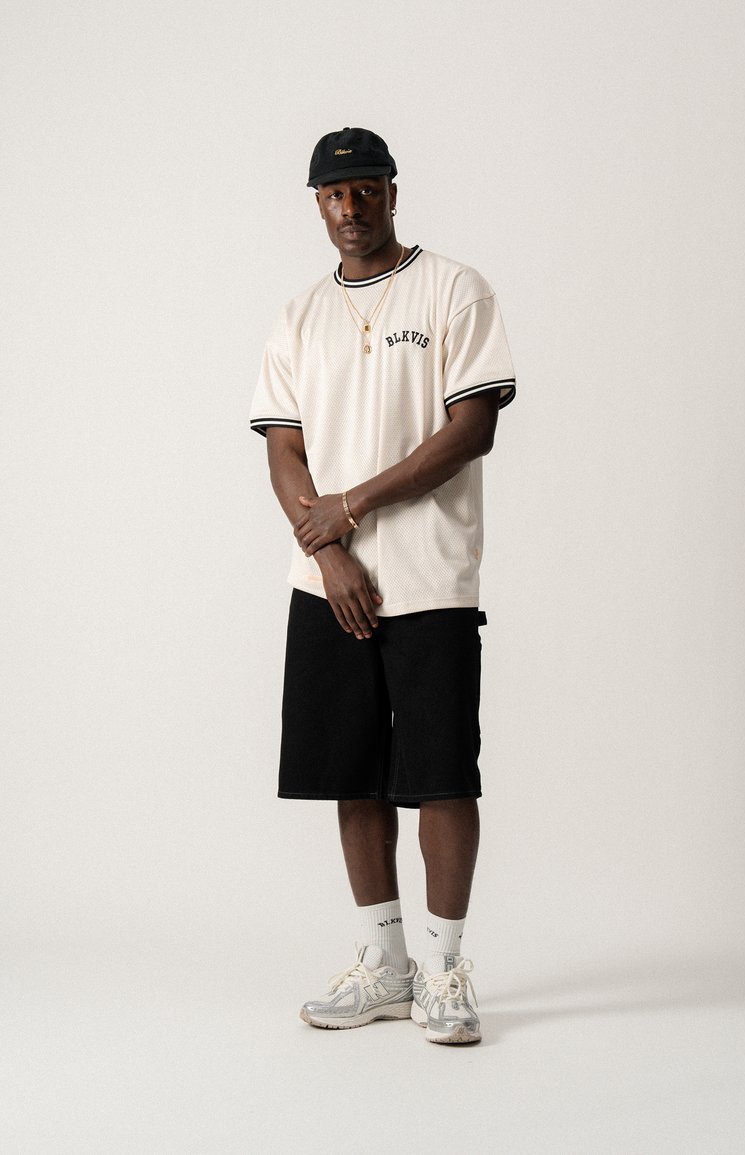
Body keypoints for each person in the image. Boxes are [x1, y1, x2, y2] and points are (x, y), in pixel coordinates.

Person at [250, 127, 516, 1045]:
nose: (351, 207)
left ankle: (444, 971)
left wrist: (352, 507)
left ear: (393, 192)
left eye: (366, 189)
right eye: (334, 194)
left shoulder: (453, 289)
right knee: (351, 773)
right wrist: (328, 556)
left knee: (441, 774)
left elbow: (471, 429)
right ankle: (387, 965)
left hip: (430, 577)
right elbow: (283, 448)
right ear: (317, 206)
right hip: (329, 584)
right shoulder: (298, 316)